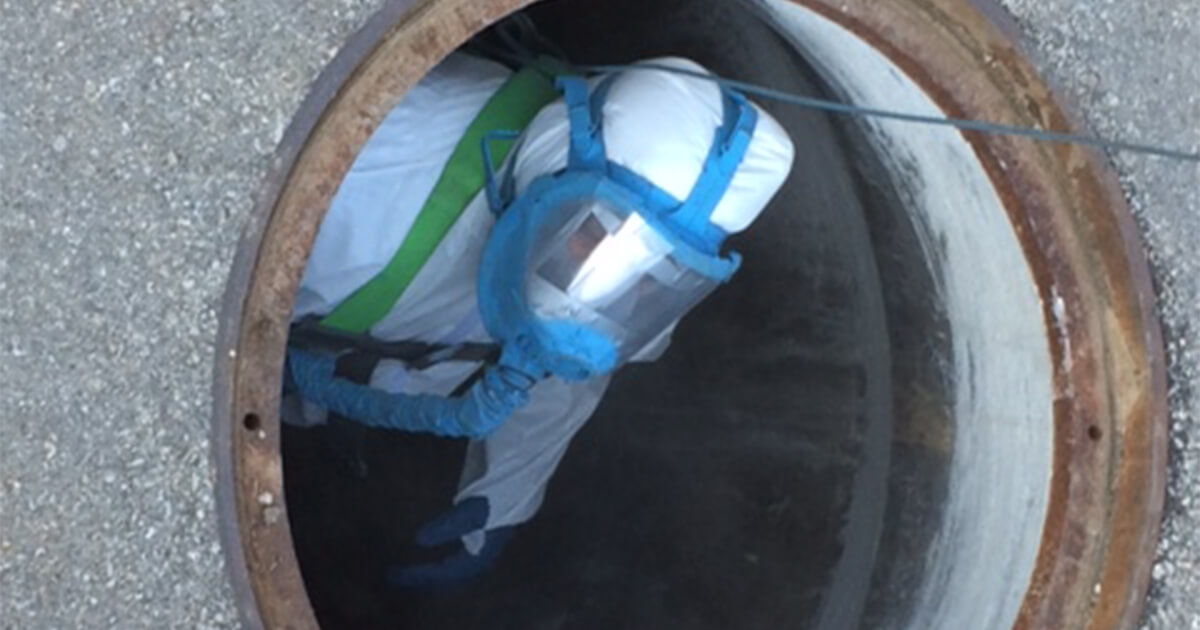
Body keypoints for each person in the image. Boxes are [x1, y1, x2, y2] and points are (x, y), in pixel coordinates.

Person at [282, 50, 795, 586]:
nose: (600, 294)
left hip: (341, 375)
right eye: (594, 235)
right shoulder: (367, 171)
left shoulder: (614, 283)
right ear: (559, 159)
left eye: (649, 274)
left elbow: (568, 363)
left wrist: (505, 491)